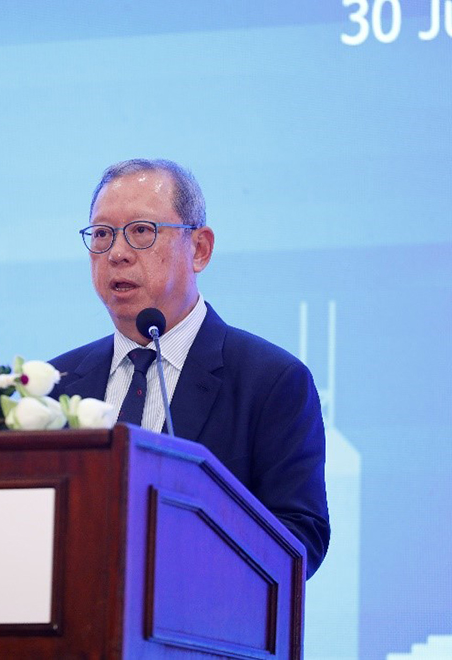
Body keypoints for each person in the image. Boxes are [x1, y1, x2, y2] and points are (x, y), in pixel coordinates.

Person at [50, 158, 330, 578]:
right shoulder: (57, 384)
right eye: (103, 235)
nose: (118, 254)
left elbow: (299, 538)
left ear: (199, 249)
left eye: (141, 232)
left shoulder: (271, 381)